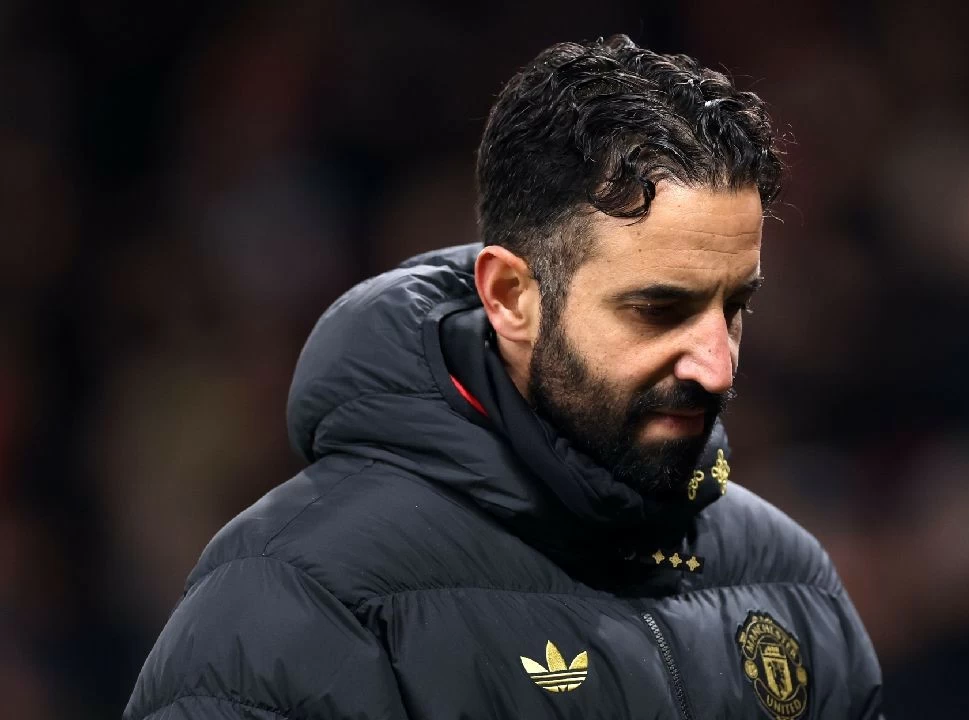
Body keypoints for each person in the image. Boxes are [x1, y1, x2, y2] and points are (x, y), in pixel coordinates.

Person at [124, 35, 882, 719]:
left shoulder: (791, 583)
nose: (717, 367)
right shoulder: (296, 604)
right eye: (658, 310)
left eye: (735, 307)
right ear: (511, 298)